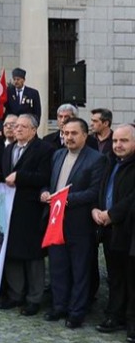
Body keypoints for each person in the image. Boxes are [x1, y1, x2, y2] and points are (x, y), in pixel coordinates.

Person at [42, 118, 105, 328]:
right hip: (55, 222)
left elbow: (95, 192)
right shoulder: (57, 155)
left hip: (79, 224)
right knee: (58, 267)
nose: (68, 137)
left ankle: (76, 312)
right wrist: (45, 193)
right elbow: (49, 182)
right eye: (65, 133)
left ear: (85, 135)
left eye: (73, 133)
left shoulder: (96, 159)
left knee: (80, 269)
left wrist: (66, 200)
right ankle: (59, 306)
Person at [0, 114, 54, 315]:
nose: (17, 129)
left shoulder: (44, 149)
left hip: (31, 208)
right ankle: (16, 294)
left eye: (23, 127)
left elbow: (45, 176)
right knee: (12, 252)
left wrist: (21, 177)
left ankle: (34, 297)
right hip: (9, 208)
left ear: (34, 130)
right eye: (16, 126)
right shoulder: (8, 149)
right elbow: (6, 174)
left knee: (33, 255)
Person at [92, 124, 135, 339]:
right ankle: (114, 315)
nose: (118, 145)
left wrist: (112, 214)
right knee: (115, 276)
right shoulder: (109, 161)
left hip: (128, 229)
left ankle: (132, 323)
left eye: (124, 141)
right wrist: (96, 209)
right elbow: (101, 188)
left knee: (131, 277)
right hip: (108, 229)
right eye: (116, 141)